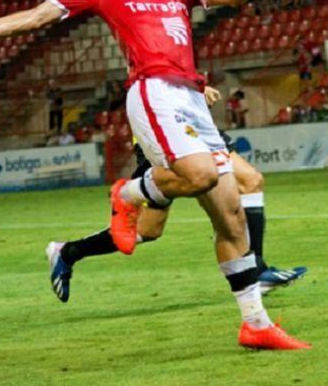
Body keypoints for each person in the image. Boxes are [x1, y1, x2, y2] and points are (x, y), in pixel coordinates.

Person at [0, 0, 309, 350]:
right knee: (203, 175)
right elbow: (35, 17)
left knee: (231, 216)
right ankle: (127, 193)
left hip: (192, 96)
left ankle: (256, 324)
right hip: (153, 92)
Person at [46, 86, 308, 302]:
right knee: (148, 230)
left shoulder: (175, 27)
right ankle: (69, 251)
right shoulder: (139, 29)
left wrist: (193, 87)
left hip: (193, 121)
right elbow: (143, 73)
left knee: (250, 180)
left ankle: (257, 270)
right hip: (162, 131)